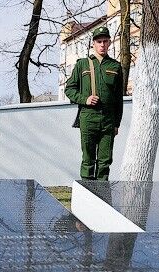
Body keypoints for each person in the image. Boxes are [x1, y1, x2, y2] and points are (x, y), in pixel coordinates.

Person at [64, 26, 124, 181]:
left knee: (105, 161)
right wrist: (85, 99)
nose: (102, 44)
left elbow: (118, 99)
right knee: (88, 159)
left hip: (108, 120)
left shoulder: (115, 66)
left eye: (105, 41)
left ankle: (101, 198)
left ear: (110, 42)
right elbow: (69, 89)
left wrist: (117, 123)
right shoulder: (82, 64)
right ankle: (86, 196)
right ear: (93, 44)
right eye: (99, 41)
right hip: (88, 117)